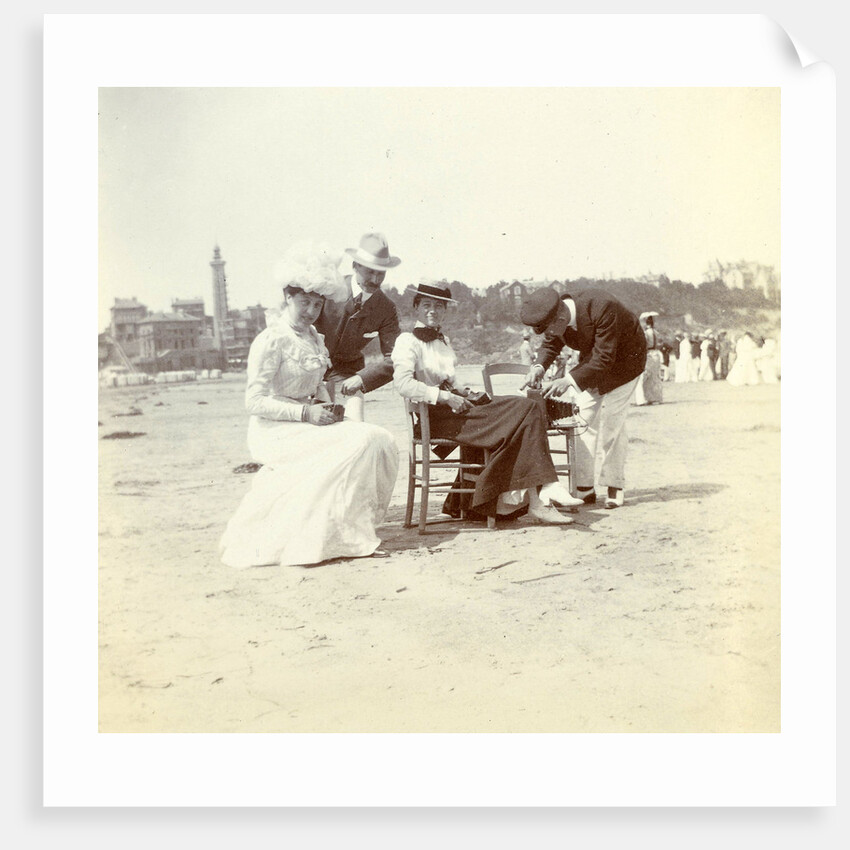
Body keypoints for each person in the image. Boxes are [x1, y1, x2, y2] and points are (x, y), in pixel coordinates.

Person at [220, 244, 399, 569]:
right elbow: (254, 402)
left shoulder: (315, 339)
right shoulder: (271, 339)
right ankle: (346, 537)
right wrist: (306, 413)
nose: (311, 311)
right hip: (275, 430)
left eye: (317, 305)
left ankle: (351, 531)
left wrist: (327, 408)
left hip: (310, 420)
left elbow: (317, 385)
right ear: (287, 299)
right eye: (304, 303)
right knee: (360, 441)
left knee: (380, 438)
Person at [392, 281, 580, 525]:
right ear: (415, 308)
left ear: (445, 311)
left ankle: (539, 497)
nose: (433, 311)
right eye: (426, 305)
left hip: (459, 410)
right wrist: (445, 396)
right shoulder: (407, 341)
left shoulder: (443, 340)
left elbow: (451, 382)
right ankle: (543, 494)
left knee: (526, 407)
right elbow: (403, 384)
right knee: (524, 410)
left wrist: (468, 392)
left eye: (439, 306)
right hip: (437, 417)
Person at [520, 287, 646, 509]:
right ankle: (584, 488)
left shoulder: (602, 306)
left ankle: (614, 485)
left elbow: (605, 356)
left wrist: (567, 380)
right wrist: (539, 366)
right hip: (595, 365)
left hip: (626, 365)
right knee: (582, 422)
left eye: (551, 328)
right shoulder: (557, 318)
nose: (551, 333)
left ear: (560, 317)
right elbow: (550, 344)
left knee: (613, 425)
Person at [314, 232, 402, 422]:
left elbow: (395, 358)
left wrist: (362, 378)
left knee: (355, 426)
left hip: (349, 376)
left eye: (381, 273)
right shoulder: (328, 289)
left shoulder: (387, 309)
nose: (376, 279)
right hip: (311, 370)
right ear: (355, 266)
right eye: (370, 271)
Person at [633, 311, 663, 405]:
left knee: (644, 377)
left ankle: (642, 399)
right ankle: (655, 398)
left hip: (649, 354)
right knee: (655, 377)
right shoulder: (656, 332)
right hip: (656, 353)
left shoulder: (646, 333)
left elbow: (643, 345)